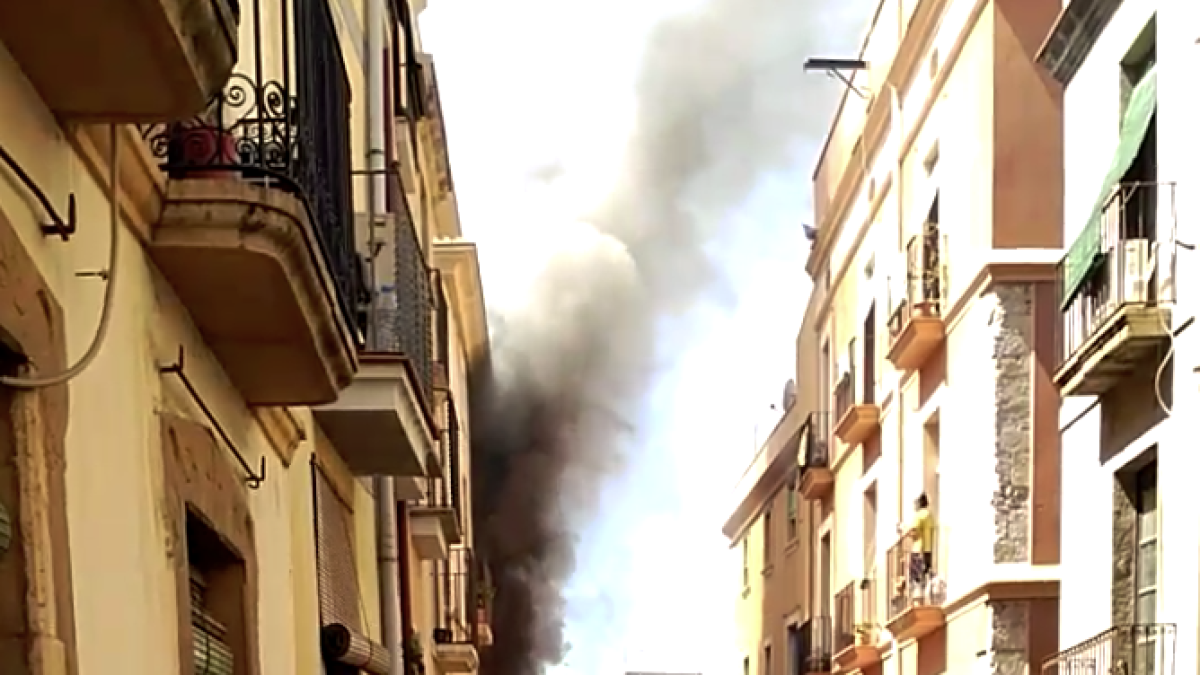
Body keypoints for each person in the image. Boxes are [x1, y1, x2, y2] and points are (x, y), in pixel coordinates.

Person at [905, 493, 935, 601]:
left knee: (916, 579)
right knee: (925, 576)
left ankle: (918, 601)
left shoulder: (919, 515)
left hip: (918, 549)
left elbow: (914, 532)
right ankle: (927, 599)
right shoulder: (930, 515)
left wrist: (904, 531)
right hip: (928, 550)